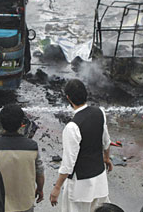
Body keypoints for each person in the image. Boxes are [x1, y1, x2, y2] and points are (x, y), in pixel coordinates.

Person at [50, 79, 113, 211]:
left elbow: (68, 164)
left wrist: (57, 187)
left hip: (80, 187)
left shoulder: (72, 127)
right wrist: (106, 158)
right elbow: (106, 141)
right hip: (100, 181)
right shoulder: (99, 112)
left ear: (68, 98)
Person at [0, 104, 44, 212]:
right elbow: (39, 171)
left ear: (1, 123)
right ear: (22, 123)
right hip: (24, 203)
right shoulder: (32, 147)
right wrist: (40, 189)